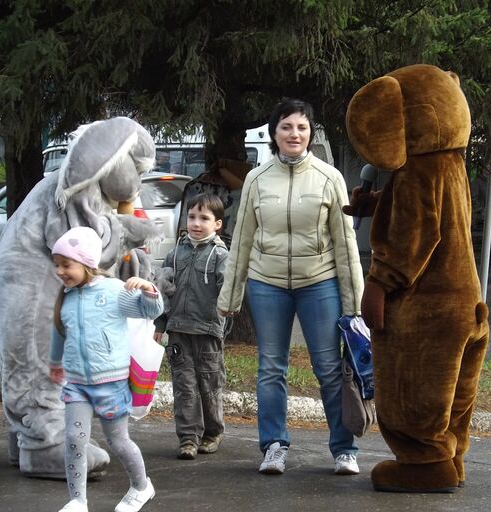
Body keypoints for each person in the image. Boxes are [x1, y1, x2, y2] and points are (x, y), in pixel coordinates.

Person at [217, 98, 365, 476]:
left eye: (301, 127)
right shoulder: (256, 179)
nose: (294, 134)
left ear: (311, 132)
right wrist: (230, 295)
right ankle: (274, 445)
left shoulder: (329, 178)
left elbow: (347, 246)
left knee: (330, 367)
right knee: (270, 367)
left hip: (320, 282)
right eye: (286, 127)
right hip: (267, 284)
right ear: (273, 133)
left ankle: (344, 449)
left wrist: (355, 303)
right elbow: (243, 240)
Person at [48, 226, 164, 512]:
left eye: (66, 265)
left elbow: (151, 312)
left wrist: (148, 290)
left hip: (110, 384)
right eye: (57, 265)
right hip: (77, 385)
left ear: (86, 263)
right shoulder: (67, 297)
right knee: (74, 440)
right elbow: (60, 332)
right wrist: (55, 361)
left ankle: (141, 486)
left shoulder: (114, 291)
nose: (60, 272)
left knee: (119, 442)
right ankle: (77, 501)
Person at [155, 193, 229, 460]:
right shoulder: (174, 255)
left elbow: (228, 293)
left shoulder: (221, 256)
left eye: (204, 218)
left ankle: (212, 433)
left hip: (208, 331)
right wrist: (161, 323)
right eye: (192, 217)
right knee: (184, 386)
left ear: (217, 224)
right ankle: (188, 437)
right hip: (178, 332)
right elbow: (164, 292)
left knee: (209, 385)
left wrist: (223, 316)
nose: (196, 223)